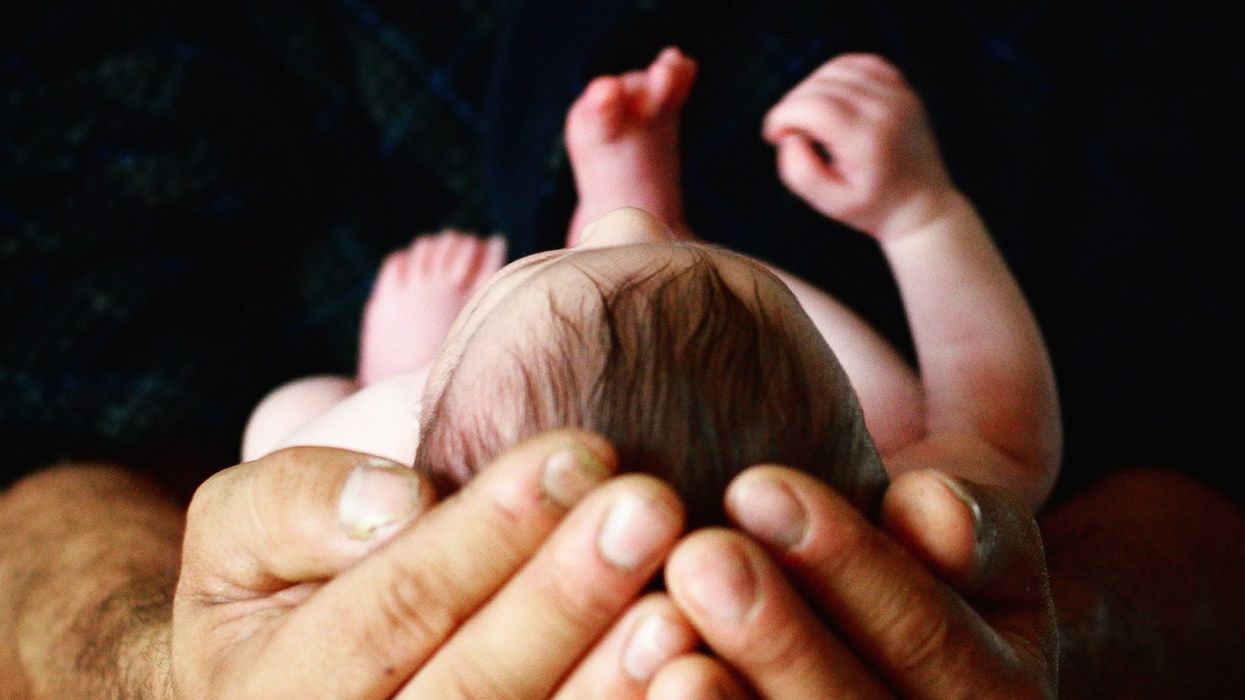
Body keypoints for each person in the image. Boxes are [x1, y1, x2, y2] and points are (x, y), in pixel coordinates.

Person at [242, 49, 1060, 522]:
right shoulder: (882, 508)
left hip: (428, 462)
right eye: (657, 240)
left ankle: (437, 364)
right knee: (887, 402)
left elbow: (276, 447)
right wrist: (920, 215)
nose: (618, 230)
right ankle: (653, 234)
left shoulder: (410, 476)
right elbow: (1001, 435)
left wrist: (393, 379)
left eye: (557, 261)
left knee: (300, 425)